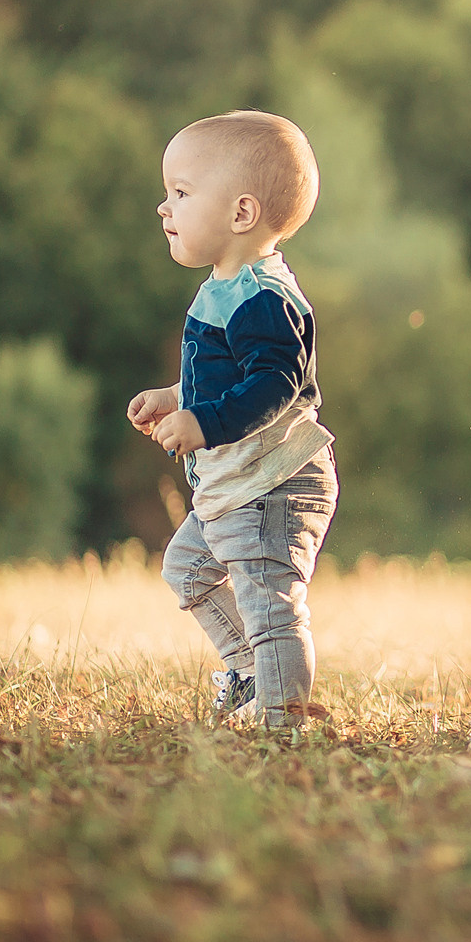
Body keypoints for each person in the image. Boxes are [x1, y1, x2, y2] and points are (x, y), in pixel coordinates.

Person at [127, 111, 339, 731]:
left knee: (269, 603)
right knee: (187, 569)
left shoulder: (263, 298)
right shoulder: (225, 286)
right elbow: (225, 378)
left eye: (182, 194)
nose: (164, 208)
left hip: (274, 485)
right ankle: (252, 670)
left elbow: (272, 385)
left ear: (241, 215)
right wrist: (178, 398)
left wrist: (204, 422)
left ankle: (284, 721)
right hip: (238, 483)